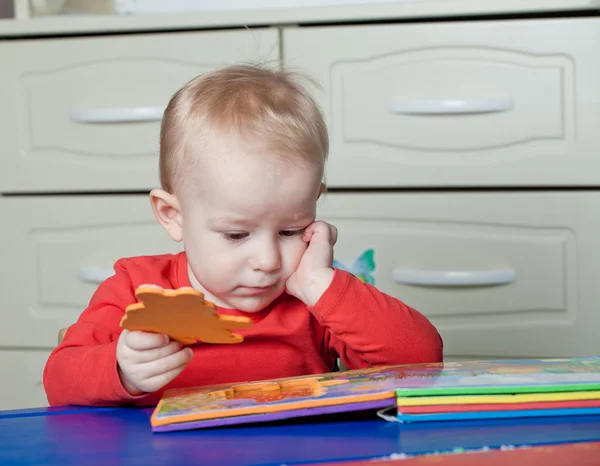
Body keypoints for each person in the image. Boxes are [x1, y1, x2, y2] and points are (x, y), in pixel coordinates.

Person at [43, 63, 443, 406]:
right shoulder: (135, 286)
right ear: (172, 215)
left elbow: (423, 361)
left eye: (291, 229)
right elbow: (58, 380)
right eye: (236, 235)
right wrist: (121, 369)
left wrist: (325, 287)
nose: (268, 261)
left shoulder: (316, 296)